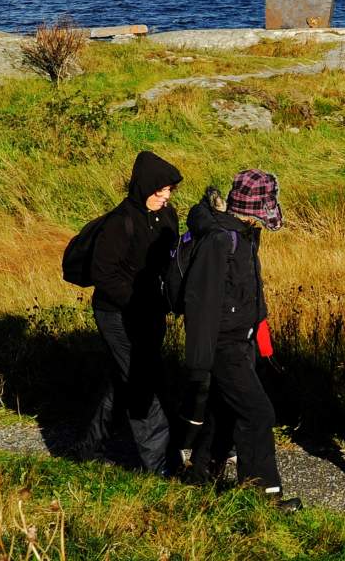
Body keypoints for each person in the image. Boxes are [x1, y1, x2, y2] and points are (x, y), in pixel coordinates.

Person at [181, 168, 295, 507]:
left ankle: (200, 474)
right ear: (253, 209)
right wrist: (199, 364)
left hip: (242, 339)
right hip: (223, 344)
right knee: (258, 413)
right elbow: (202, 302)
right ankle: (262, 496)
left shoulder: (243, 233)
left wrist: (259, 333)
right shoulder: (221, 240)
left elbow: (245, 293)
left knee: (225, 409)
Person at [80, 150, 182, 476]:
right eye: (160, 190)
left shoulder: (168, 217)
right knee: (142, 383)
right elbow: (103, 274)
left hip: (152, 314)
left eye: (169, 190)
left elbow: (170, 263)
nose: (166, 196)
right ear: (144, 187)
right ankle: (161, 469)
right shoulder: (119, 222)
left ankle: (89, 451)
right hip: (116, 315)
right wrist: (138, 301)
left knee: (122, 380)